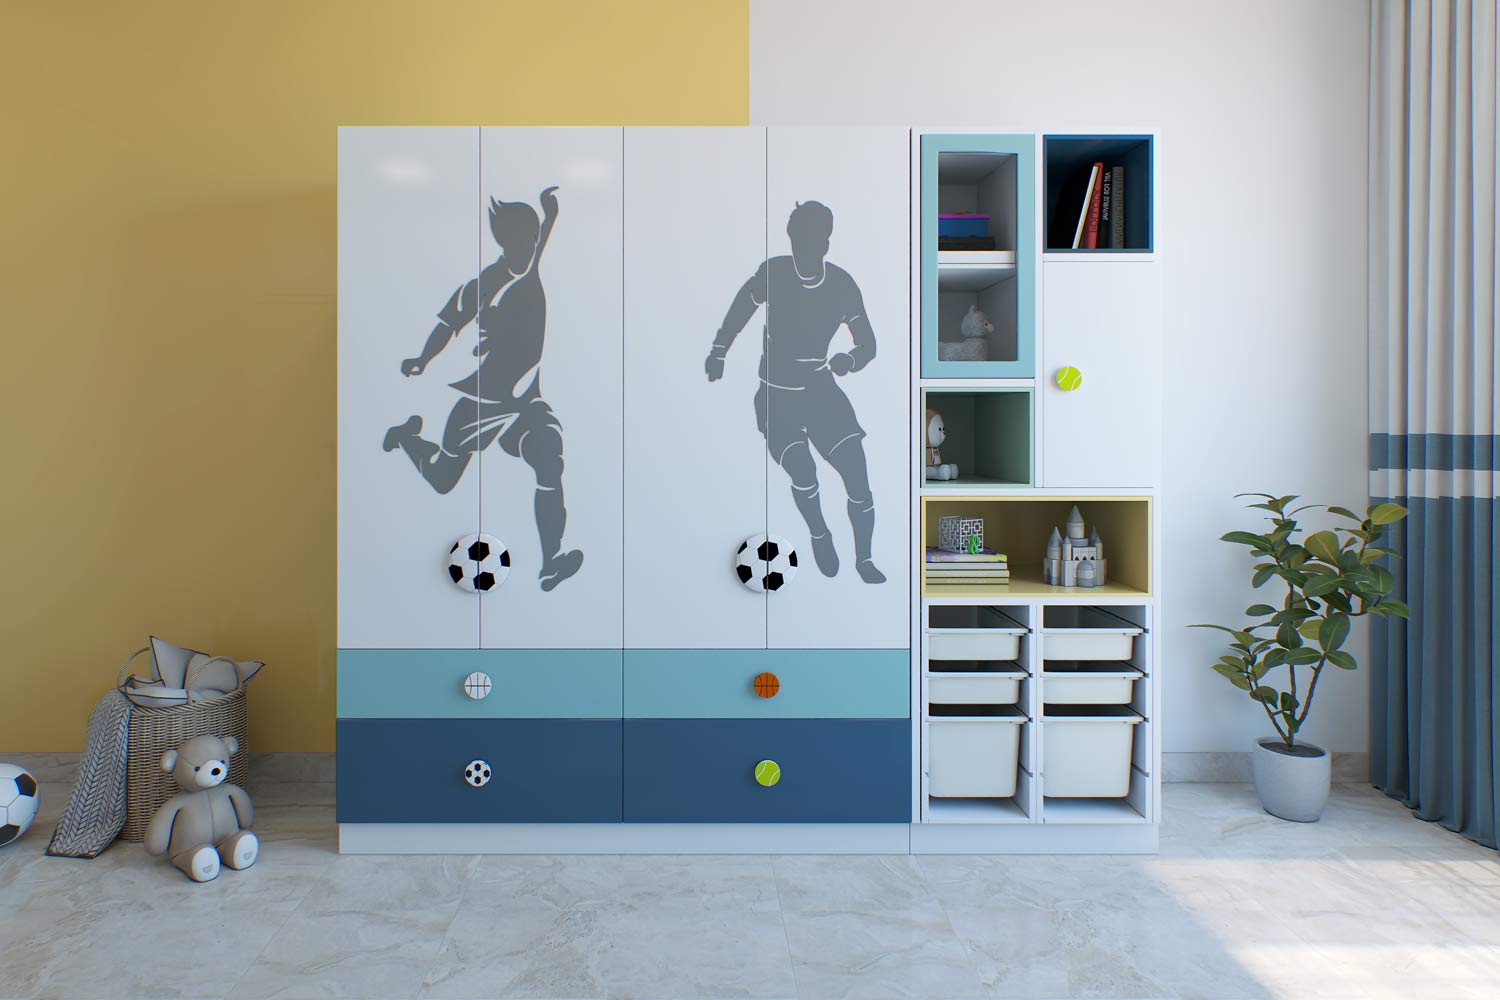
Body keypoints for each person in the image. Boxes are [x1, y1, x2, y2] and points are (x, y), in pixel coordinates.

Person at [383, 186, 583, 592]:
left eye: (532, 238)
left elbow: (543, 236)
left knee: (550, 462)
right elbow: (447, 324)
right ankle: (406, 437)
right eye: (521, 240)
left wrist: (551, 214)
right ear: (505, 241)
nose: (531, 245)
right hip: (483, 401)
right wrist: (422, 359)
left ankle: (551, 563)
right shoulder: (485, 284)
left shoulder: (531, 264)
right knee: (443, 480)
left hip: (526, 401)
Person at [706, 200, 885, 584]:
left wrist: (849, 360)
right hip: (777, 396)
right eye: (797, 241)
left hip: (821, 391)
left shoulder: (841, 285)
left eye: (813, 242)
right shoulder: (772, 273)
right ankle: (820, 533)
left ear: (825, 244)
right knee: (803, 470)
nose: (804, 250)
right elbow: (740, 309)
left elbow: (868, 344)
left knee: (857, 473)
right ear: (791, 241)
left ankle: (865, 559)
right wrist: (719, 350)